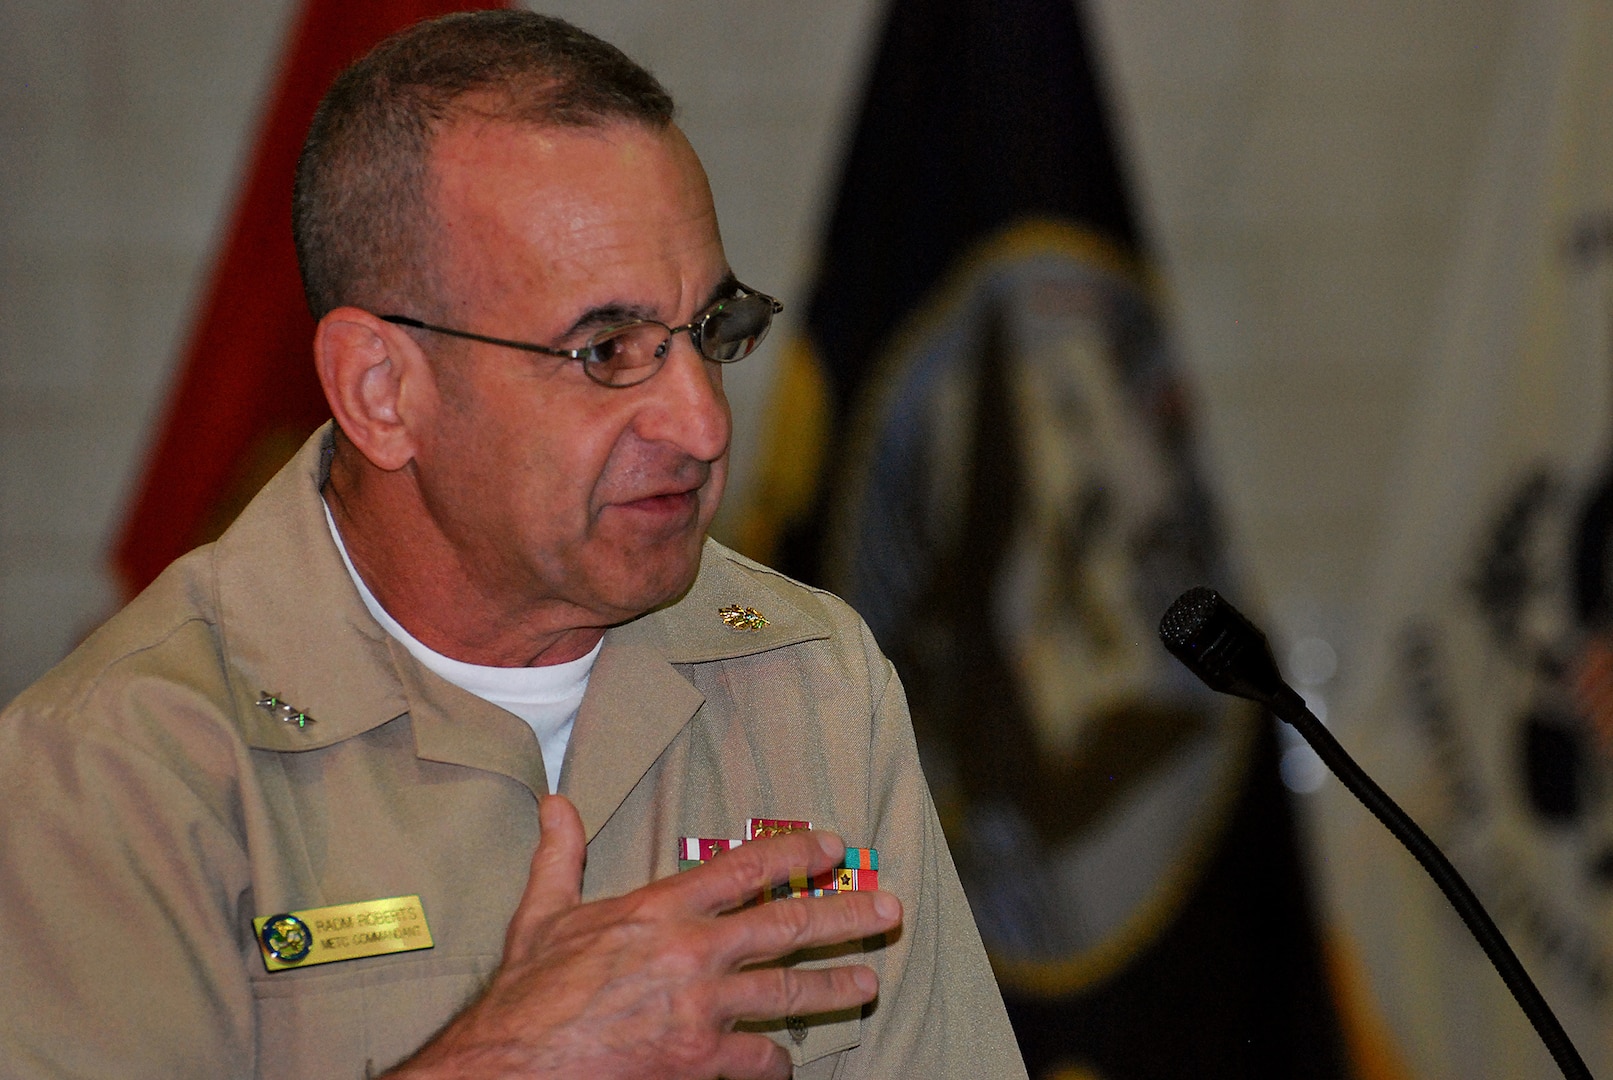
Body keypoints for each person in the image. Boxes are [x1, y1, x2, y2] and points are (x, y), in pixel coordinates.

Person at [0, 11, 1025, 1080]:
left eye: (712, 331)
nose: (703, 424)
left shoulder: (805, 677)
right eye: (604, 350)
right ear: (381, 391)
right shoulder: (119, 771)